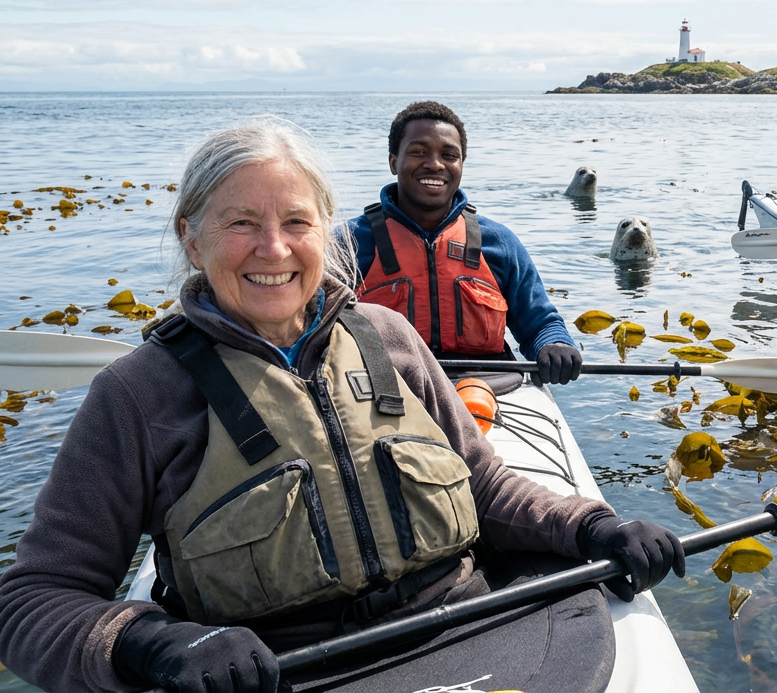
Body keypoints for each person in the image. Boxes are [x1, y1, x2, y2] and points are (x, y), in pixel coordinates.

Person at [0, 122, 684, 693]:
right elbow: (31, 602)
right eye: (241, 222)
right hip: (282, 673)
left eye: (296, 221)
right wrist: (153, 644)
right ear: (191, 238)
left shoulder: (387, 337)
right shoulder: (137, 393)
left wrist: (595, 527)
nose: (273, 249)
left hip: (469, 631)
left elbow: (482, 484)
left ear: (325, 231)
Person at [346, 101, 582, 385]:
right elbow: (310, 328)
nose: (435, 164)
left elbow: (539, 323)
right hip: (383, 389)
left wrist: (555, 345)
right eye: (419, 152)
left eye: (449, 155)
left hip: (487, 389)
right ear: (394, 162)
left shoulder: (499, 242)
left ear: (460, 165)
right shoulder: (349, 243)